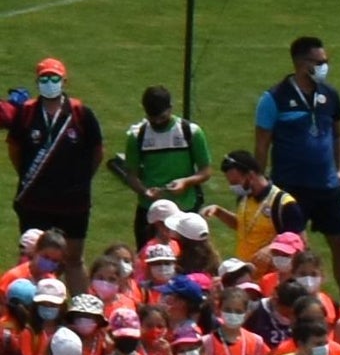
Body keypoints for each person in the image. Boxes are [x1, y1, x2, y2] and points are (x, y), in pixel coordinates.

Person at [255, 36, 340, 303]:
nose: (324, 67)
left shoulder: (329, 95)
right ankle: (294, 302)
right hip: (290, 187)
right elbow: (262, 143)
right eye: (319, 62)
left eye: (326, 62)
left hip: (327, 185)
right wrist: (260, 184)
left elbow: (339, 135)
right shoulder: (274, 98)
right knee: (295, 250)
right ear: (301, 63)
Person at [6, 57, 103, 293]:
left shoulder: (81, 113)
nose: (50, 82)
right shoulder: (26, 113)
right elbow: (15, 149)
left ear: (64, 80)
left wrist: (79, 180)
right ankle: (31, 305)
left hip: (73, 202)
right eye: (45, 78)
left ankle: (80, 310)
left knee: (73, 258)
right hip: (35, 200)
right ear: (37, 81)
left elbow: (97, 151)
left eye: (54, 78)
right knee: (34, 258)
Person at [122, 85, 213, 248]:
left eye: (162, 117)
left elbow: (206, 171)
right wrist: (145, 191)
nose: (157, 122)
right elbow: (131, 175)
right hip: (151, 213)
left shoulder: (190, 132)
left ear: (170, 109)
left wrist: (186, 182)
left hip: (185, 208)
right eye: (152, 118)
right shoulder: (137, 136)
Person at [202, 151, 304, 266]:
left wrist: (270, 249)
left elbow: (298, 242)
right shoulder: (243, 198)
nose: (233, 187)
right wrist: (219, 212)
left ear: (250, 175)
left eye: (235, 182)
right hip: (245, 274)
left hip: (271, 276)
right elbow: (243, 225)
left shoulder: (283, 204)